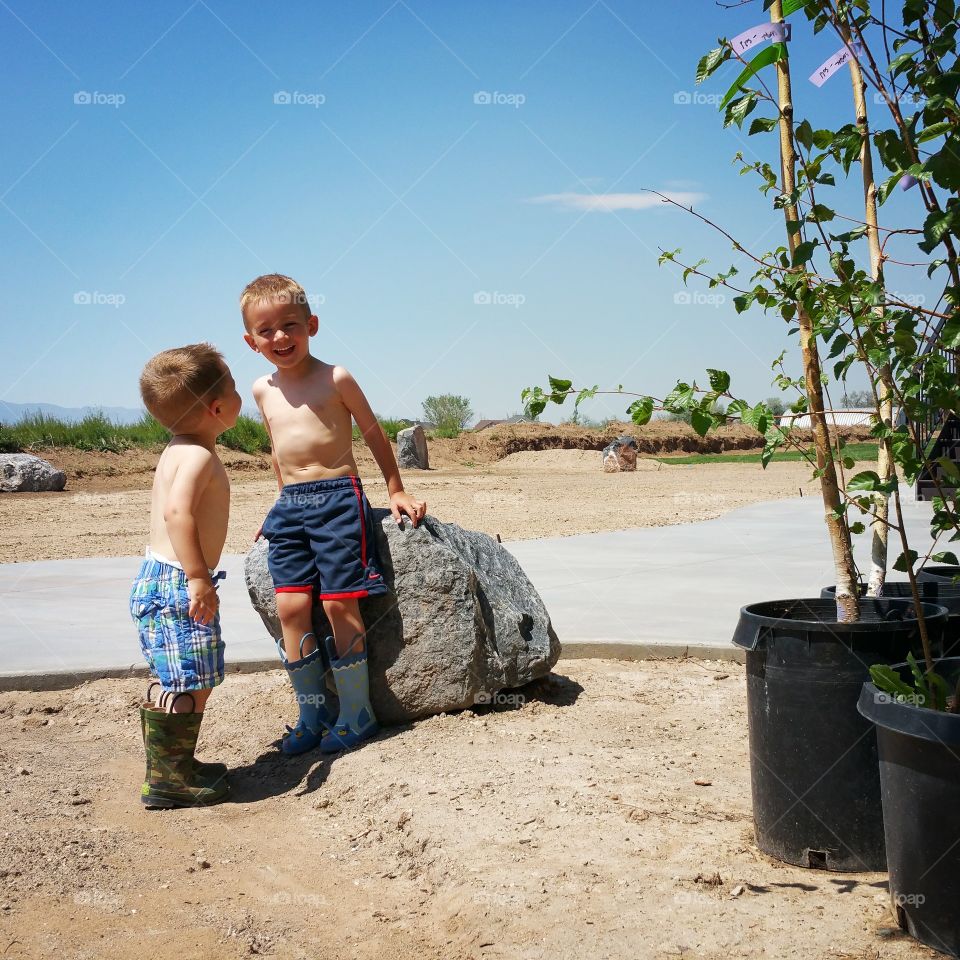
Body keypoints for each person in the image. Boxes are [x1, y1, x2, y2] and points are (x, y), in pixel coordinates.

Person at [241, 273, 426, 755]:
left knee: (338, 603)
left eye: (291, 325)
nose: (281, 337)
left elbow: (372, 432)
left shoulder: (335, 377)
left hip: (337, 497)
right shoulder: (262, 389)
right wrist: (279, 501)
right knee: (290, 607)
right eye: (267, 330)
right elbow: (277, 449)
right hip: (291, 508)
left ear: (312, 325)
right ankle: (311, 712)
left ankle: (357, 712)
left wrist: (397, 488)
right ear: (251, 341)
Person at [130, 343, 242, 808]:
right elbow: (179, 514)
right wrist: (199, 577)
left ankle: (173, 766)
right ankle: (169, 781)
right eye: (234, 389)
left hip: (157, 575)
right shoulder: (197, 456)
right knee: (192, 679)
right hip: (180, 581)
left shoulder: (177, 449)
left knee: (182, 675)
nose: (240, 396)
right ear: (218, 407)